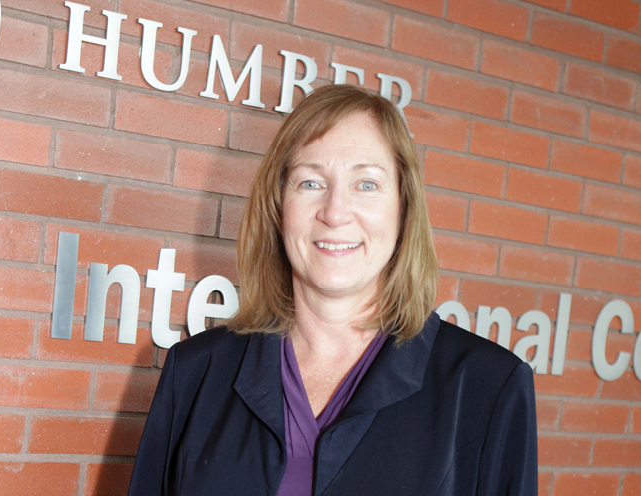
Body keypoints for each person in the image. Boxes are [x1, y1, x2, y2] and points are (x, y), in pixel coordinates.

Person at [128, 84, 538, 496]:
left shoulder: (488, 388)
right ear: (277, 206)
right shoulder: (197, 373)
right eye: (310, 183)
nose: (335, 212)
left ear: (404, 208)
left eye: (366, 184)